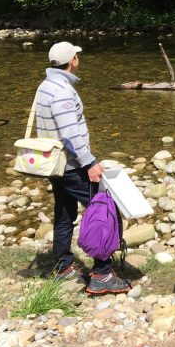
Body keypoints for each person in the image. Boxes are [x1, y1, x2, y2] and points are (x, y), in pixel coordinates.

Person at [36, 41, 130, 294]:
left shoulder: (45, 86)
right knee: (102, 211)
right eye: (76, 55)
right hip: (71, 165)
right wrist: (89, 162)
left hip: (54, 164)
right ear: (72, 60)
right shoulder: (63, 91)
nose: (78, 58)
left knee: (64, 212)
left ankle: (63, 265)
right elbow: (70, 133)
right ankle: (101, 273)